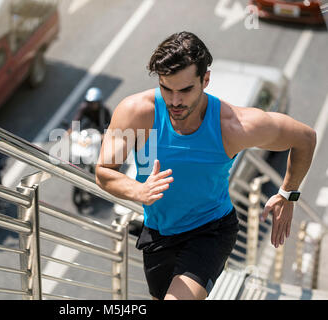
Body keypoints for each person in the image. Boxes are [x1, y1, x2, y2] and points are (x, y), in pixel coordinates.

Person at [95, 31, 316, 300]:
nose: (175, 101)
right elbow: (104, 171)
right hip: (158, 232)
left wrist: (287, 194)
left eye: (186, 90)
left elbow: (305, 138)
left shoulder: (235, 126)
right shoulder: (136, 112)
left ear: (206, 80)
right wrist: (137, 191)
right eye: (167, 88)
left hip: (210, 230)